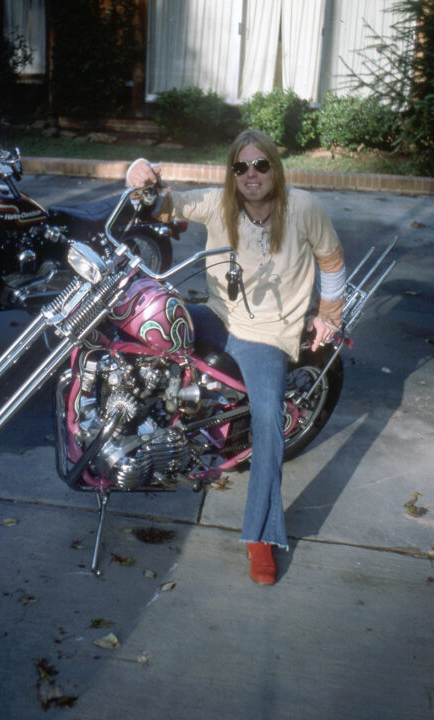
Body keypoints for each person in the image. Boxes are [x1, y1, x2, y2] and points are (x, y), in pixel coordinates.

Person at [126, 129, 346, 585]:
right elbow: (169, 203)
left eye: (260, 165)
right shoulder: (220, 202)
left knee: (269, 418)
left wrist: (330, 315)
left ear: (275, 169)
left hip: (265, 337)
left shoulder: (303, 208)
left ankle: (262, 534)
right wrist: (138, 171)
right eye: (241, 167)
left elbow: (332, 259)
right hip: (215, 318)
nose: (251, 175)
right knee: (142, 325)